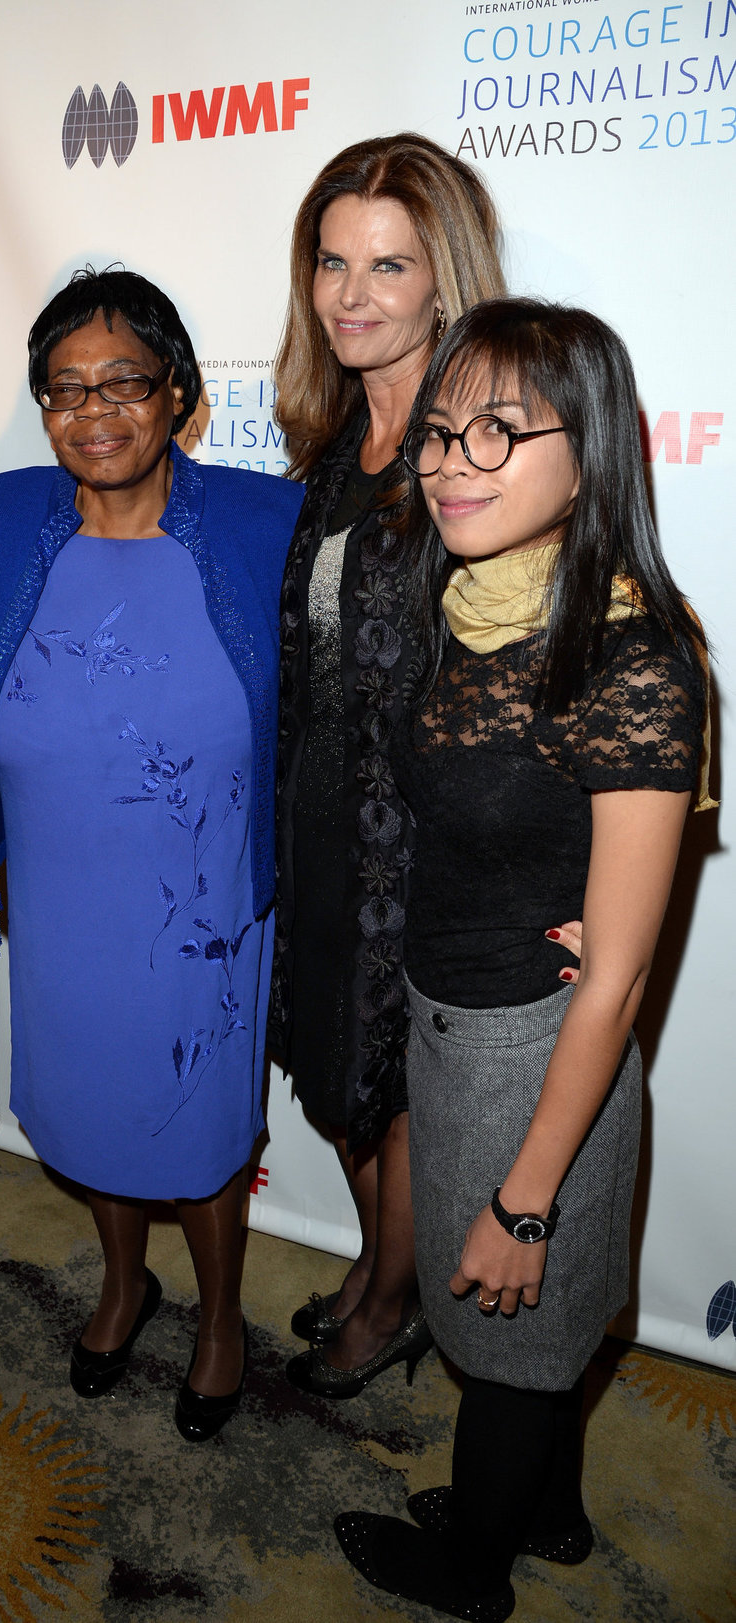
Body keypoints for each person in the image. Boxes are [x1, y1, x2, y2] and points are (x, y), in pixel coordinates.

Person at [333, 298, 711, 1621]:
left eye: (500, 432)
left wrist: (529, 1191)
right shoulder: (467, 609)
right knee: (515, 1330)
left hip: (539, 1054)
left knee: (504, 1318)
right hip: (456, 1019)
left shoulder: (639, 659)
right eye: (441, 432)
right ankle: (545, 1507)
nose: (450, 462)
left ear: (589, 451)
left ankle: (467, 1568)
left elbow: (613, 975)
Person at [0, 267, 303, 1440]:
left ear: (181, 399)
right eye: (63, 390)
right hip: (57, 890)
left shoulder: (265, 526)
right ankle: (122, 1283)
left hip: (201, 895)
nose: (93, 411)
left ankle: (216, 1316)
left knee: (200, 1120)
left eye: (124, 383)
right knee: (95, 1096)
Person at [270, 133, 582, 1395]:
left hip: (427, 839)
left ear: (441, 280)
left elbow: (557, 644)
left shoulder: (475, 455)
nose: (350, 293)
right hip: (326, 820)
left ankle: (391, 1300)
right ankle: (371, 1264)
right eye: (330, 262)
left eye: (386, 265)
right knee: (343, 1076)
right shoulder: (337, 443)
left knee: (397, 1089)